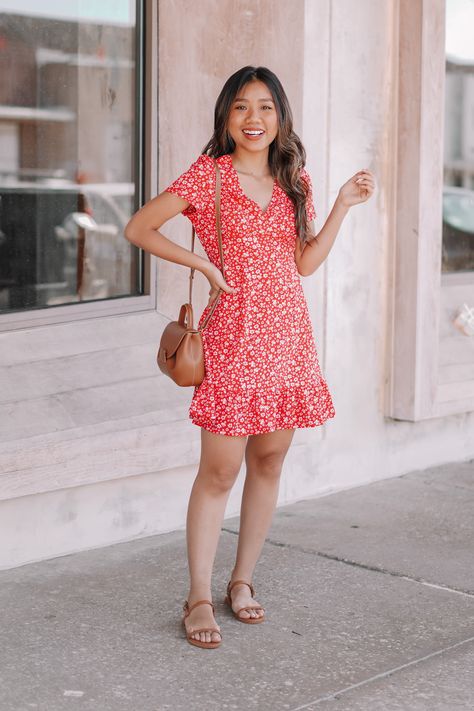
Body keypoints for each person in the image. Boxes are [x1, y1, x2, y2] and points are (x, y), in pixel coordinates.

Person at [124, 65, 375, 650]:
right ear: (226, 118)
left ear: (280, 117)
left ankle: (241, 582)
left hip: (287, 337)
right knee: (218, 471)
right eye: (240, 107)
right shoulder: (208, 178)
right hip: (233, 339)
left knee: (268, 463)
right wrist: (204, 265)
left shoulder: (296, 181)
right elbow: (140, 228)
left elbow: (304, 263)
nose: (253, 118)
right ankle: (198, 596)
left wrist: (340, 203)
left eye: (265, 107)